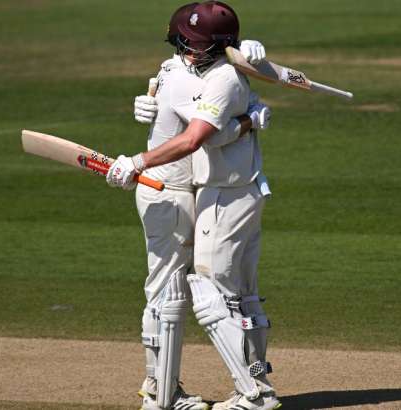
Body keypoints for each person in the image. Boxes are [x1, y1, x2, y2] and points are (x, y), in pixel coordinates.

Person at [108, 2, 280, 409]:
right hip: (169, 189)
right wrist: (248, 117)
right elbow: (195, 123)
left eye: (196, 44)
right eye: (184, 42)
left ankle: (251, 390)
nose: (186, 51)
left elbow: (197, 137)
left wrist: (249, 96)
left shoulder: (221, 78)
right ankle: (161, 392)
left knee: (219, 294)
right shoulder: (178, 68)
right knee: (174, 291)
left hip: (207, 189)